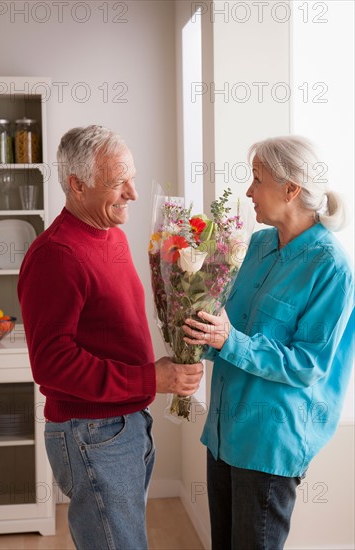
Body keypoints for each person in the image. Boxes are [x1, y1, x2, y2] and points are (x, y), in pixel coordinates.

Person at [18, 125, 203, 550]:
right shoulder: (56, 256)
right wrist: (150, 380)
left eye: (132, 178)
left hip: (126, 424)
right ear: (77, 185)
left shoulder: (112, 236)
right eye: (118, 183)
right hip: (92, 430)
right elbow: (52, 362)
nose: (133, 193)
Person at [182, 136, 354, 550]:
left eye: (256, 180)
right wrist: (192, 332)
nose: (248, 192)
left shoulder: (330, 266)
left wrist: (228, 340)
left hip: (268, 445)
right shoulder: (258, 245)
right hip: (222, 435)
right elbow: (228, 326)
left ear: (291, 189)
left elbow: (307, 364)